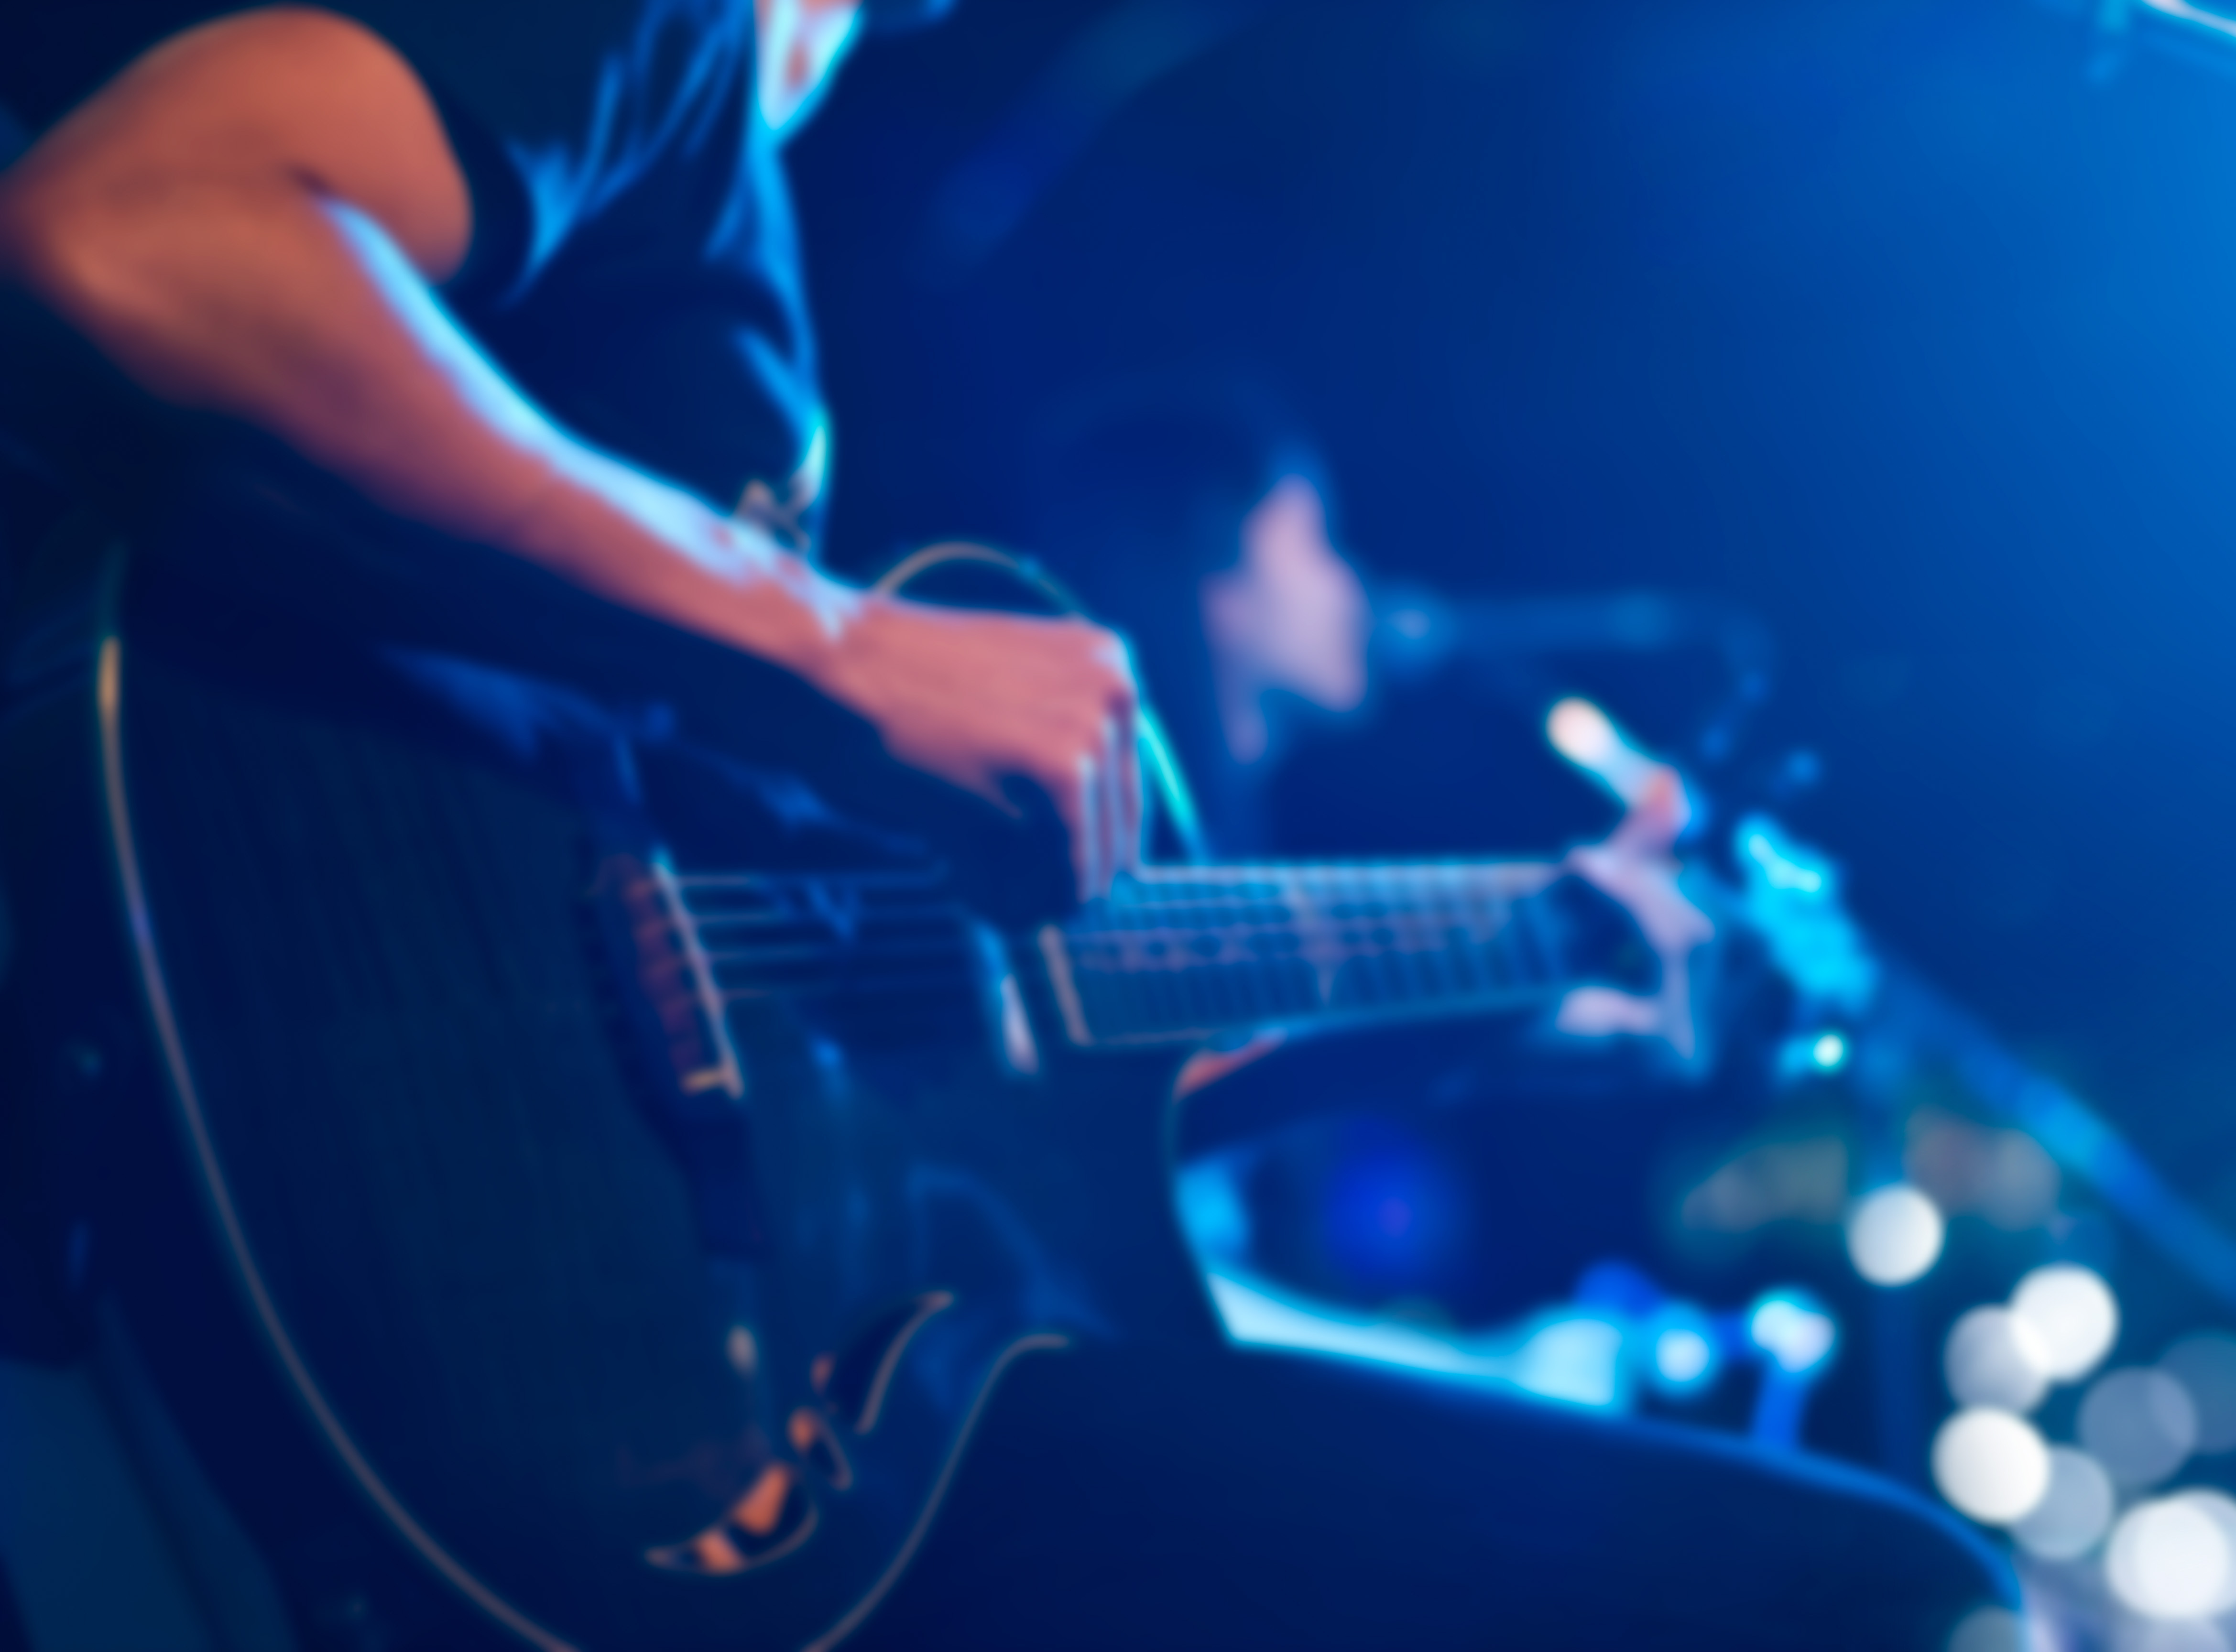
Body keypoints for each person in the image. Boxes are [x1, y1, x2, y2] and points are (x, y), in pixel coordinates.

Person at [0, 6, 2016, 1648]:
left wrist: (1502, 969)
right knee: (1880, 1596)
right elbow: (149, 225)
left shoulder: (707, 220)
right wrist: (836, 643)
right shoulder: (657, 24)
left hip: (556, 1322)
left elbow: (937, 1088)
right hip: (293, 1111)